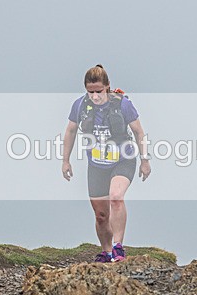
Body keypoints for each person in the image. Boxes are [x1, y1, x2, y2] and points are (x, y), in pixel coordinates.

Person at [61, 65, 151, 262]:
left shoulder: (122, 105)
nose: (95, 96)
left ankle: (119, 248)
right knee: (101, 215)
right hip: (96, 165)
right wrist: (65, 160)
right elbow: (70, 131)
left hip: (123, 160)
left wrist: (145, 160)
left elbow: (138, 132)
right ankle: (107, 251)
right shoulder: (80, 105)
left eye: (99, 91)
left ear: (107, 87)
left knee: (116, 197)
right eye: (90, 92)